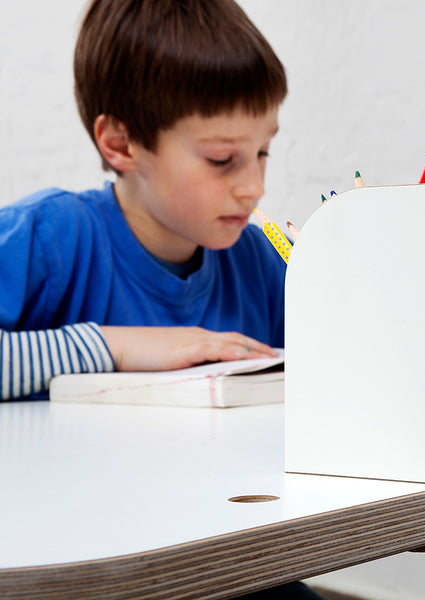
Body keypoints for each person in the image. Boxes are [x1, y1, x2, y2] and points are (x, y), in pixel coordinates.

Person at [0, 1, 325, 598]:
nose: (253, 185)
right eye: (222, 158)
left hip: (230, 563)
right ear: (121, 143)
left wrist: (345, 290)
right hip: (85, 571)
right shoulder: (48, 239)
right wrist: (112, 346)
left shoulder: (259, 262)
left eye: (263, 153)